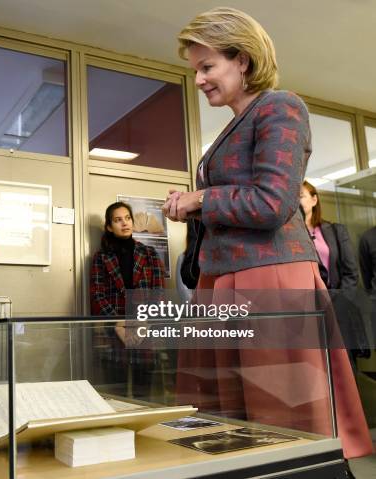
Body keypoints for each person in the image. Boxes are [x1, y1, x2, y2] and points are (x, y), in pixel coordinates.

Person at [163, 7, 372, 460]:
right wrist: (193, 206)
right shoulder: (236, 124)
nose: (199, 80)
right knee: (230, 416)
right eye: (196, 69)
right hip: (224, 276)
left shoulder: (281, 106)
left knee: (282, 417)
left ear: (242, 59)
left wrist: (200, 199)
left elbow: (273, 203)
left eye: (207, 67)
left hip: (268, 274)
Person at [90, 201, 165, 398]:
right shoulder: (101, 257)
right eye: (117, 220)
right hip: (114, 331)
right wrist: (118, 323)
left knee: (145, 395)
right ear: (109, 226)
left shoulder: (149, 253)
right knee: (116, 394)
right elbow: (97, 295)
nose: (124, 223)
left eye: (127, 218)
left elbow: (158, 293)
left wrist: (144, 322)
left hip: (144, 329)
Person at [299, 180, 359, 290]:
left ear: (314, 200)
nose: (297, 201)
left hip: (338, 299)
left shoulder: (336, 230)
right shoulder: (291, 236)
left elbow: (351, 273)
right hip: (308, 301)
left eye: (301, 196)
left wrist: (340, 300)